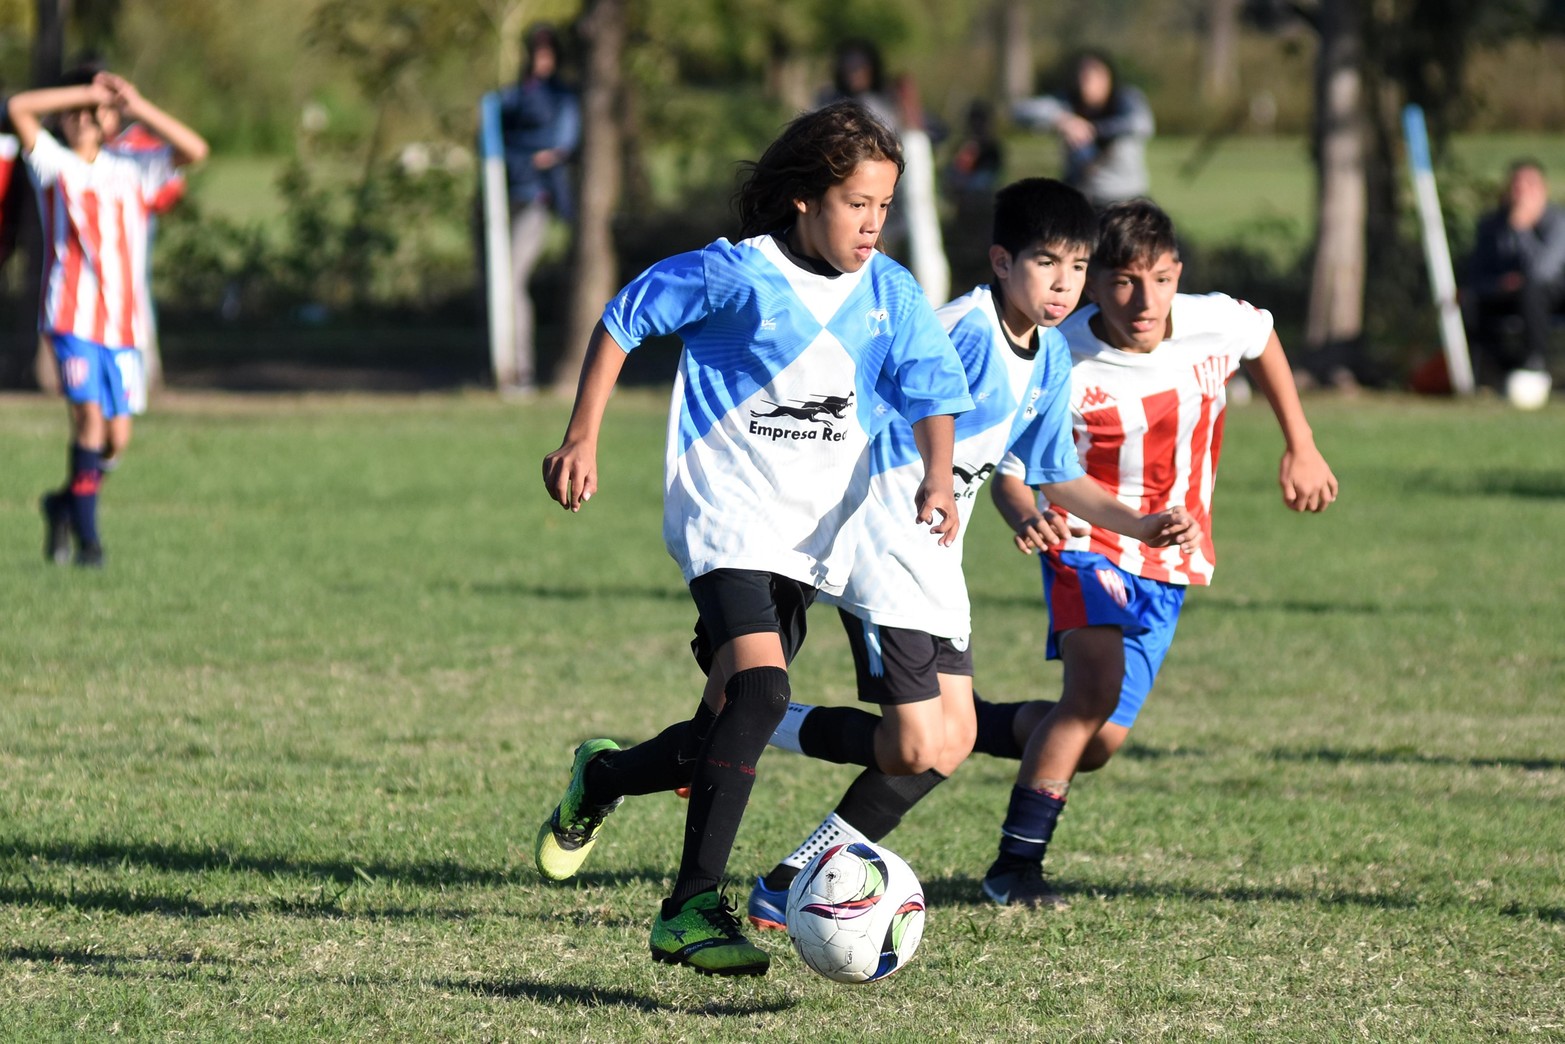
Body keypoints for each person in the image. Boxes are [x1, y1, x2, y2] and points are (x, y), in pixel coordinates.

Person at [533, 100, 974, 977]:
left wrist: (935, 471)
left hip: (810, 542)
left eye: (884, 206)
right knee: (765, 693)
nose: (872, 224)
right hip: (724, 518)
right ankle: (690, 908)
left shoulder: (887, 290)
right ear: (804, 200)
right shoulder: (737, 274)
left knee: (722, 732)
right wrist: (582, 434)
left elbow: (932, 385)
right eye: (856, 204)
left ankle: (605, 777)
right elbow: (624, 318)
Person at [742, 178, 1203, 930]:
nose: (1064, 284)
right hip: (882, 534)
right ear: (999, 259)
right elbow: (870, 410)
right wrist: (930, 480)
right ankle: (748, 720)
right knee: (921, 740)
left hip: (933, 556)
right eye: (1046, 263)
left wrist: (1138, 523)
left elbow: (1051, 471)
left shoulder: (1051, 357)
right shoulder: (956, 329)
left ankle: (787, 876)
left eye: (1079, 267)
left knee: (945, 745)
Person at [970, 198, 1338, 907]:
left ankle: (961, 726)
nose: (1144, 301)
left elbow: (1260, 340)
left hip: (1169, 558)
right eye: (1121, 282)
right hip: (1085, 538)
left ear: (1177, 274)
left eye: (1161, 280)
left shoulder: (1210, 322)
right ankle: (1013, 869)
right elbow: (1010, 469)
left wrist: (1300, 442)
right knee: (1090, 691)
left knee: (1097, 739)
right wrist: (1025, 515)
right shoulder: (1062, 355)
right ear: (1093, 281)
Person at [9, 70, 208, 568]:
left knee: (116, 440)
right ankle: (89, 542)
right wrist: (86, 93)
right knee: (88, 420)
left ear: (108, 121)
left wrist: (135, 104)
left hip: (123, 326)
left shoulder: (133, 167)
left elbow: (196, 150)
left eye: (92, 113)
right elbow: (19, 108)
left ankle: (62, 504)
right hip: (70, 318)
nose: (82, 119)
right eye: (73, 113)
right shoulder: (53, 165)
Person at [496, 23, 579, 396]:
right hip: (503, 199)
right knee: (499, 283)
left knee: (511, 280)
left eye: (545, 51)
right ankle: (504, 364)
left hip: (535, 200)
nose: (538, 58)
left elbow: (557, 150)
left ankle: (521, 371)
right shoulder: (512, 96)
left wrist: (524, 157)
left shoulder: (562, 98)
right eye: (534, 50)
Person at [1463, 159, 1565, 401]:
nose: (1522, 193)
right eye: (1517, 186)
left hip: (1553, 294)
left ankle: (1534, 363)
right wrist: (1498, 284)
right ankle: (1503, 369)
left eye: (1530, 186)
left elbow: (1543, 270)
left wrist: (1520, 230)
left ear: (1543, 190)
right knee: (1469, 301)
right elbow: (1477, 274)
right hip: (1506, 293)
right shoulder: (1491, 225)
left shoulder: (1557, 223)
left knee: (1532, 290)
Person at [1012, 50, 1153, 209]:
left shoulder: (1126, 99)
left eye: (1094, 75)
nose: (1086, 82)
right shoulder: (1068, 103)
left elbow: (1142, 124)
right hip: (1080, 200)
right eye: (1083, 75)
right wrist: (1062, 120)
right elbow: (1019, 112)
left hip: (1126, 200)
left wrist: (1093, 129)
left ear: (1108, 78)